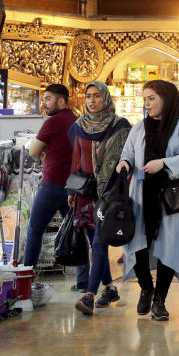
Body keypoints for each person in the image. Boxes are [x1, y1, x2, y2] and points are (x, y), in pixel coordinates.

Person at [117, 80, 179, 321]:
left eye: (152, 98)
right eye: (145, 99)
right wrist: (124, 164)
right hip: (141, 192)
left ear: (167, 98)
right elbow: (128, 153)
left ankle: (160, 299)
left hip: (170, 195)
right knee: (137, 241)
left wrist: (163, 163)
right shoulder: (140, 128)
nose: (147, 103)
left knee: (169, 246)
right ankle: (145, 286)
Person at [68, 82, 131, 315]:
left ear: (105, 98)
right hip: (86, 194)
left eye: (96, 96)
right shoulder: (80, 126)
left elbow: (128, 158)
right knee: (96, 244)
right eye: (88, 96)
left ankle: (89, 295)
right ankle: (110, 288)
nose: (92, 101)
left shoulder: (120, 126)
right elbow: (76, 159)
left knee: (99, 244)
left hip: (110, 196)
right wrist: (71, 192)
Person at [23, 84, 87, 289]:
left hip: (51, 185)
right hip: (74, 187)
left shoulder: (52, 122)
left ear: (61, 100)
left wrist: (45, 151)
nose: (44, 103)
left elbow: (33, 151)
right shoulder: (78, 120)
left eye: (48, 98)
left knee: (35, 230)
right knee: (78, 231)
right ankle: (83, 280)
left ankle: (26, 278)